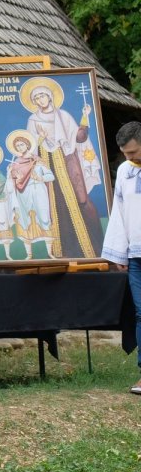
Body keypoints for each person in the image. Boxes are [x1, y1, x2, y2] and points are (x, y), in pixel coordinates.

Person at [22, 77, 104, 258]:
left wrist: (85, 116)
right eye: (37, 98)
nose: (40, 100)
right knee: (52, 205)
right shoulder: (33, 119)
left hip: (66, 165)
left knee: (78, 202)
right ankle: (59, 252)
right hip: (45, 166)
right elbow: (29, 146)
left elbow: (79, 137)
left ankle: (86, 249)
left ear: (50, 97)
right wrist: (41, 138)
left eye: (43, 96)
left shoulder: (63, 116)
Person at [99, 121, 141, 395]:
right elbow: (119, 213)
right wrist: (119, 251)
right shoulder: (125, 171)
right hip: (137, 254)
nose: (129, 158)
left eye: (134, 152)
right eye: (125, 153)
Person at [5, 130, 57, 260]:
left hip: (39, 191)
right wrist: (10, 174)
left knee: (44, 218)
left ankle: (50, 253)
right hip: (23, 194)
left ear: (27, 145)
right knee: (24, 220)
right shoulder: (15, 163)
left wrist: (39, 178)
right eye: (17, 146)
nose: (20, 148)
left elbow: (51, 176)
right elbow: (11, 184)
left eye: (22, 145)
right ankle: (29, 254)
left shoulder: (37, 161)